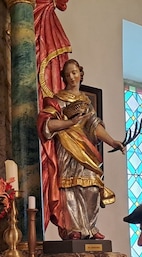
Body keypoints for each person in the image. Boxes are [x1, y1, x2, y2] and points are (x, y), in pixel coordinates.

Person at [37, 59, 125, 240]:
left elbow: (93, 125)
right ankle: (73, 229)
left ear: (81, 74)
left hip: (86, 148)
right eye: (68, 74)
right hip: (67, 146)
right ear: (63, 77)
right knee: (71, 188)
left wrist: (112, 141)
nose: (72, 77)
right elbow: (47, 124)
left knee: (92, 187)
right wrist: (69, 123)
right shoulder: (57, 100)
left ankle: (90, 228)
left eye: (75, 72)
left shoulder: (86, 101)